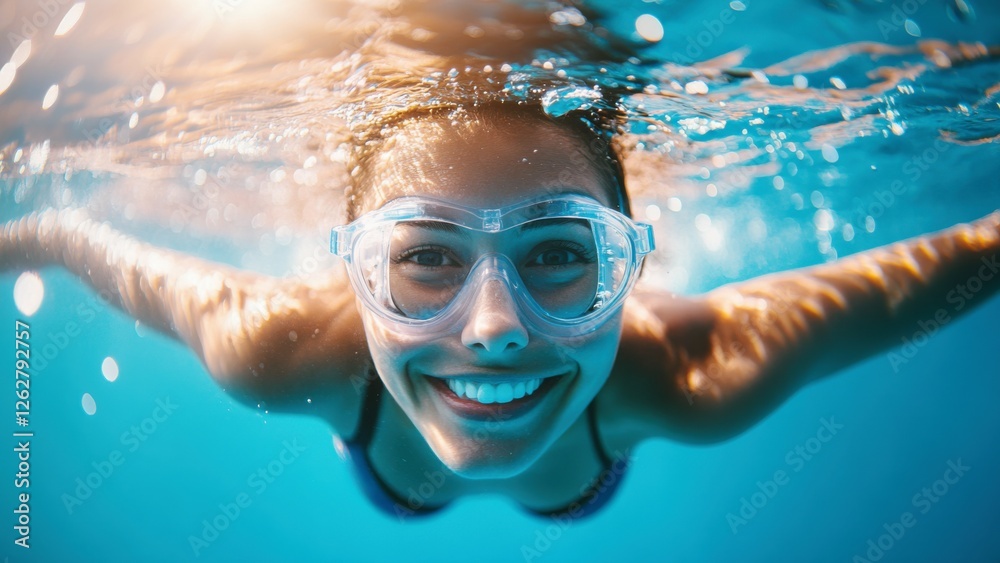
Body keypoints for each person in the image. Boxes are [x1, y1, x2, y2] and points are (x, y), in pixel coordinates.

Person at [3, 14, 1000, 522]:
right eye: (425, 257)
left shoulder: (689, 371)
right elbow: (85, 243)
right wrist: (32, 236)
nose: (493, 327)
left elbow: (961, 258)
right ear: (351, 272)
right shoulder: (279, 346)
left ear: (628, 261)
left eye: (561, 251)